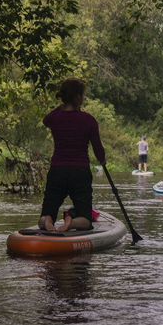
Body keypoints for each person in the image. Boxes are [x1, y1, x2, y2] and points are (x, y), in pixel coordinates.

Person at [39, 78, 106, 232]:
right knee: (86, 220)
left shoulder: (55, 118)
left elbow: (46, 120)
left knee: (46, 213)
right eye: (82, 96)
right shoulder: (89, 120)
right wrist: (103, 160)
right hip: (79, 172)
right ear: (77, 97)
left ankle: (48, 221)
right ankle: (71, 222)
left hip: (57, 171)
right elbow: (98, 150)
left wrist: (62, 106)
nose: (83, 99)